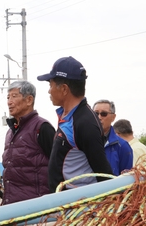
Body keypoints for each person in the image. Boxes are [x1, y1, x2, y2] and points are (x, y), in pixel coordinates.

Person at [36, 56, 113, 192]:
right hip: (62, 204)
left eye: (51, 85)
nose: (49, 91)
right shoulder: (68, 116)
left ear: (64, 89)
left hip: (78, 206)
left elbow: (103, 173)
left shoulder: (85, 123)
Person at [2, 81, 55, 205]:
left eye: (14, 96)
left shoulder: (42, 127)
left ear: (29, 100)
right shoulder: (10, 132)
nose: (9, 101)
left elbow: (58, 165)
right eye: (8, 97)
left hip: (35, 206)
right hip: (12, 204)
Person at [92, 100, 133, 176]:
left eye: (104, 114)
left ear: (113, 117)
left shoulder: (122, 146)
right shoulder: (83, 141)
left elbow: (126, 178)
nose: (99, 117)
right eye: (96, 113)